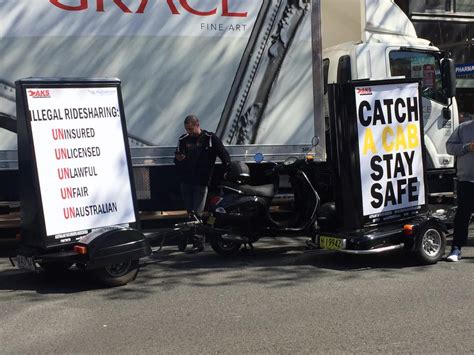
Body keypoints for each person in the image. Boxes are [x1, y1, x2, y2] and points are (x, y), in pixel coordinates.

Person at [174, 115, 231, 252]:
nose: (189, 132)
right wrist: (179, 159)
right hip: (186, 182)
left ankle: (198, 243)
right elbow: (176, 159)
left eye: (191, 129)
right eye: (187, 129)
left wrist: (225, 173)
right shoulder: (183, 139)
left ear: (197, 124)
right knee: (190, 213)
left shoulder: (210, 139)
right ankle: (188, 239)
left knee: (197, 213)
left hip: (201, 182)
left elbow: (225, 157)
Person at [445, 118, 474, 261]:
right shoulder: (464, 128)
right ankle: (456, 249)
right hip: (467, 179)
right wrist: (467, 147)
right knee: (462, 215)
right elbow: (449, 147)